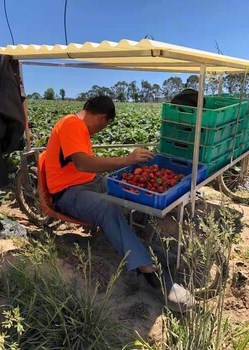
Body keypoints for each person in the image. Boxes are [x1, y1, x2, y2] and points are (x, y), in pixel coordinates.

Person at [45, 95, 194, 311]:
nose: (101, 130)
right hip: (68, 192)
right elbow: (83, 163)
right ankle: (149, 271)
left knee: (125, 186)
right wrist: (127, 159)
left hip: (89, 182)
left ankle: (139, 227)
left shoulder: (78, 126)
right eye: (104, 126)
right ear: (102, 118)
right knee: (108, 208)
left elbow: (87, 169)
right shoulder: (70, 124)